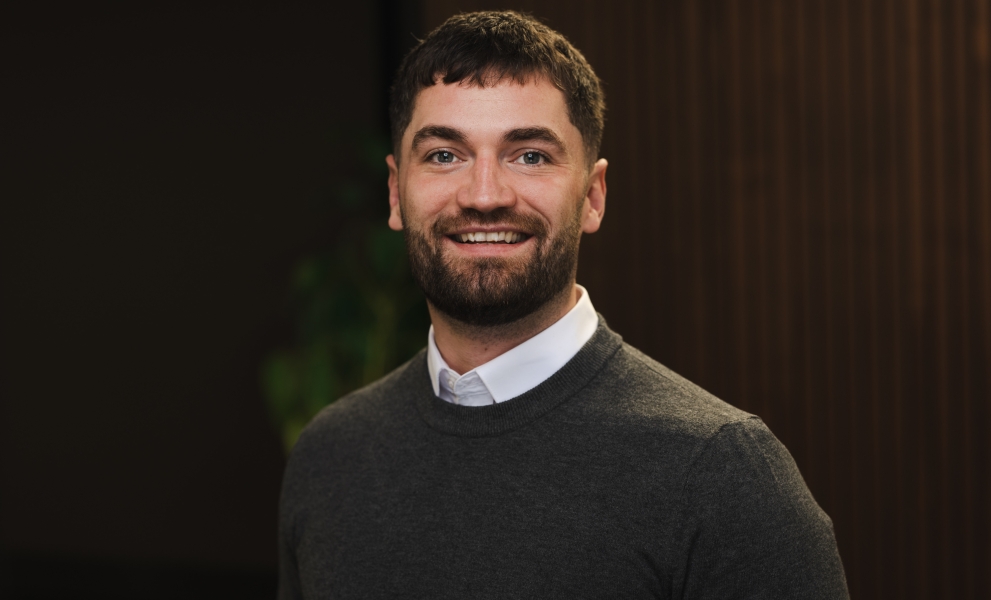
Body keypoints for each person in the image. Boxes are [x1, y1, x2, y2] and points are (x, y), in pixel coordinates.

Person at [278, 10, 848, 599]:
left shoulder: (722, 475)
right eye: (445, 155)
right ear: (397, 193)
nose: (483, 196)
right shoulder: (330, 456)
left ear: (593, 196)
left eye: (530, 155)